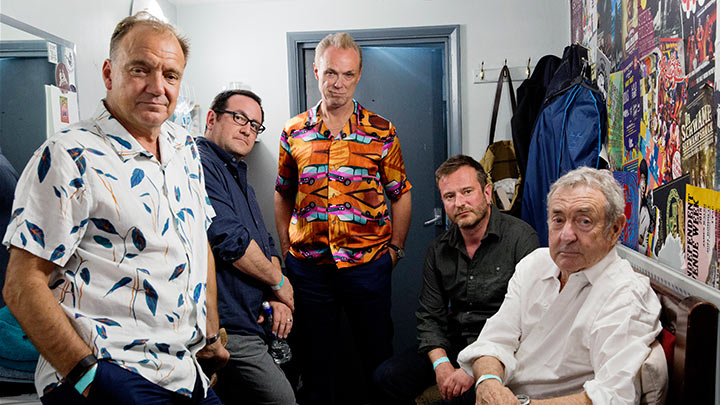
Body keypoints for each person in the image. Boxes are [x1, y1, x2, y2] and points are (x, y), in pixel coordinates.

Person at [2, 13, 228, 404]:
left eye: (171, 75)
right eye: (141, 69)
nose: (157, 87)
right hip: (110, 371)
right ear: (109, 73)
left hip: (183, 371)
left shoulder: (184, 148)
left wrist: (209, 335)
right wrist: (88, 377)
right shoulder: (69, 154)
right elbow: (21, 285)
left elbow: (197, 239)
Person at [274, 32, 412, 404]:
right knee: (315, 362)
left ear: (359, 75)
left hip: (368, 264)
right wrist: (287, 249)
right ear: (316, 70)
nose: (338, 83)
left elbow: (400, 193)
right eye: (331, 73)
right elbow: (284, 192)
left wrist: (395, 249)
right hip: (309, 268)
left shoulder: (381, 131)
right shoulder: (293, 131)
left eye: (347, 75)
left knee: (377, 357)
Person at [458, 167, 662, 404]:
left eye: (584, 221)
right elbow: (494, 340)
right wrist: (488, 384)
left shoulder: (625, 294)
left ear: (615, 229)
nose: (566, 235)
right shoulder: (534, 264)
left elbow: (612, 396)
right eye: (558, 219)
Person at [372, 155, 539, 404]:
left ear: (486, 191)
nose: (459, 203)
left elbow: (528, 320)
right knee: (386, 377)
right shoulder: (438, 250)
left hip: (502, 347)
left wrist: (474, 368)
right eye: (450, 196)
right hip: (457, 341)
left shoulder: (520, 239)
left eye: (467, 192)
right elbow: (429, 317)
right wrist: (441, 366)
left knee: (465, 398)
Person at [197, 89, 296, 404]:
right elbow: (230, 241)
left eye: (254, 125)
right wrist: (278, 282)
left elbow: (265, 244)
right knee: (283, 400)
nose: (246, 129)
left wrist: (273, 295)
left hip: (253, 317)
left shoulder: (239, 177)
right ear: (212, 118)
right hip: (229, 326)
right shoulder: (199, 164)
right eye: (239, 118)